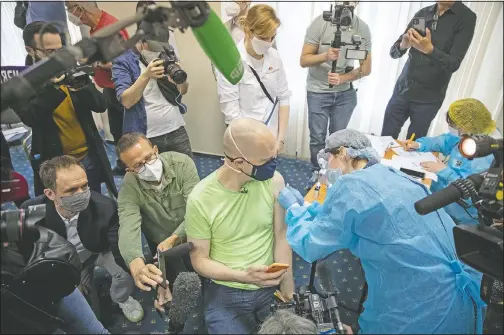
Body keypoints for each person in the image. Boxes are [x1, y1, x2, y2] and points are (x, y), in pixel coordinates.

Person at [277, 129, 486, 334]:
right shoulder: (393, 174)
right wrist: (311, 210)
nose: (326, 167)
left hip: (419, 306)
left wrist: (295, 210)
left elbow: (310, 246)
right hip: (457, 288)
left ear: (342, 153)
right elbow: (348, 213)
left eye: (328, 159)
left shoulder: (351, 186)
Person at [186, 118, 295, 334]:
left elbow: (282, 237)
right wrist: (244, 276)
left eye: (274, 156)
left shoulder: (274, 182)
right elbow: (199, 260)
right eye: (265, 160)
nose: (273, 166)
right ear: (238, 163)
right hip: (226, 288)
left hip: (269, 283)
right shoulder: (200, 199)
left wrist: (288, 291)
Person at [20, 155, 144, 323]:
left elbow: (118, 245)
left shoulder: (105, 206)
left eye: (84, 186)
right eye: (71, 190)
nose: (82, 194)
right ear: (50, 193)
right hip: (66, 261)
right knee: (90, 315)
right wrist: (65, 281)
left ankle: (121, 299)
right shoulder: (31, 212)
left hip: (98, 249)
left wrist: (135, 267)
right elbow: (30, 256)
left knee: (126, 271)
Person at [18, 21, 117, 197]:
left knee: (94, 204)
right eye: (49, 52)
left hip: (89, 156)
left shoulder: (71, 68)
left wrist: (82, 84)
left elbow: (100, 105)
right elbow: (30, 117)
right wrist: (53, 88)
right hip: (56, 164)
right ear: (30, 50)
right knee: (65, 214)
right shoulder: (23, 82)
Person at [116, 132, 199, 312]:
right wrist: (137, 266)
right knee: (174, 286)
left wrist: (175, 237)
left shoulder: (182, 164)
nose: (147, 166)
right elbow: (128, 227)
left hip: (196, 231)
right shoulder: (130, 186)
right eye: (138, 165)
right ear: (129, 170)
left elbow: (197, 212)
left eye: (149, 157)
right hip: (163, 246)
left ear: (156, 149)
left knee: (208, 274)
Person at [301, 1, 372, 190]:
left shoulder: (362, 28)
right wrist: (325, 56)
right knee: (317, 137)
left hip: (344, 94)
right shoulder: (319, 23)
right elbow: (304, 59)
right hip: (317, 90)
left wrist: (344, 78)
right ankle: (317, 171)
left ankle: (334, 175)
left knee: (338, 139)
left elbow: (366, 68)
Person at [381, 1, 477, 140]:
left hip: (428, 98)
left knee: (413, 146)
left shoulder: (466, 17)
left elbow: (454, 64)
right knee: (385, 139)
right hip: (403, 90)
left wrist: (429, 50)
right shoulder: (424, 12)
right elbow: (394, 52)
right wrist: (403, 44)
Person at [404, 98, 497, 224]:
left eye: (454, 125)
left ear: (467, 126)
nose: (451, 128)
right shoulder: (464, 135)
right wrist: (419, 145)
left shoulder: (486, 155)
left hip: (459, 212)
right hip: (439, 191)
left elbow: (471, 193)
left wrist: (444, 171)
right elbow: (441, 141)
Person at [65, 1, 130, 175]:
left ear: (80, 8)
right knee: (118, 132)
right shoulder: (96, 28)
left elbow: (123, 62)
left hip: (121, 89)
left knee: (127, 133)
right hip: (110, 89)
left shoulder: (109, 27)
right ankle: (124, 165)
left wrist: (95, 63)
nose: (69, 14)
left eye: (69, 9)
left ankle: (132, 167)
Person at [216, 5, 291, 153]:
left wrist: (280, 139)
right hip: (244, 140)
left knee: (270, 175)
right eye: (263, 37)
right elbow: (232, 114)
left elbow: (284, 98)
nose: (269, 42)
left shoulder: (274, 57)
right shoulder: (230, 62)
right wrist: (251, 145)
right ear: (248, 31)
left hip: (272, 136)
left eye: (272, 37)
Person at [111, 31, 192, 157]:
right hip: (145, 137)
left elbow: (184, 91)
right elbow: (126, 101)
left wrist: (180, 80)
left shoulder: (166, 54)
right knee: (153, 175)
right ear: (141, 42)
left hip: (176, 129)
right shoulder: (123, 60)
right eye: (153, 47)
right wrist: (146, 76)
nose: (157, 52)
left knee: (187, 172)